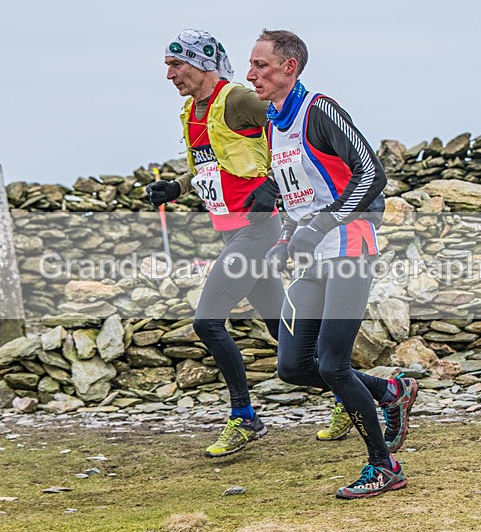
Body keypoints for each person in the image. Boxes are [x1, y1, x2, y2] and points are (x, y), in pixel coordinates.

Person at [247, 29, 419, 499]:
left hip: (348, 247)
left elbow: (372, 173)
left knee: (333, 365)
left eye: (261, 65)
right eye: (251, 65)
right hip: (309, 257)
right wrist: (286, 237)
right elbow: (290, 190)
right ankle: (390, 394)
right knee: (294, 366)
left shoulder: (319, 110)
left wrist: (320, 225)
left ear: (290, 68)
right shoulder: (271, 122)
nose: (250, 74)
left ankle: (384, 467)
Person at [147, 28, 284, 458]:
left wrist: (275, 185)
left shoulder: (239, 99)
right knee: (284, 329)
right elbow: (215, 165)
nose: (169, 75)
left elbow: (291, 135)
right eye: (167, 66)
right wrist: (176, 188)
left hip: (257, 230)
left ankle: (244, 417)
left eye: (176, 64)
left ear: (202, 63)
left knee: (207, 322)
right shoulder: (192, 111)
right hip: (232, 229)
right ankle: (367, 394)